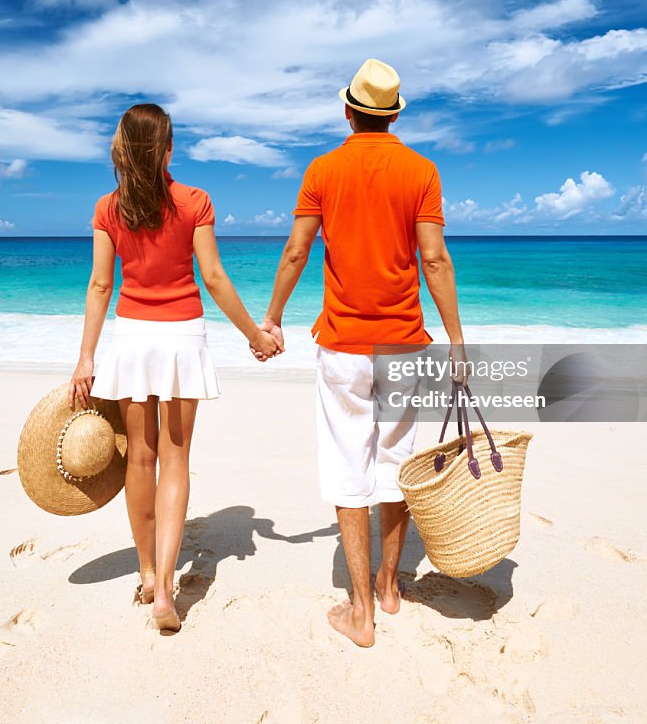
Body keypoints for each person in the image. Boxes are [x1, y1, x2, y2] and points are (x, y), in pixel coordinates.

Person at [254, 58, 467, 648]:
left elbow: (297, 252)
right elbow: (434, 260)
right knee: (397, 462)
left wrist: (271, 318)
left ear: (349, 110)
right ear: (394, 113)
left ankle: (361, 611)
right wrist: (456, 341)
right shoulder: (422, 170)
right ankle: (391, 587)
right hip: (404, 344)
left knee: (349, 467)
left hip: (344, 345)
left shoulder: (323, 169)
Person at [69, 102, 282, 634]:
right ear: (167, 148)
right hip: (183, 340)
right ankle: (167, 588)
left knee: (139, 460)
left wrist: (87, 356)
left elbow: (100, 285)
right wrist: (255, 336)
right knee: (176, 460)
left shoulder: (107, 208)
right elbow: (211, 276)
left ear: (123, 149)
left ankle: (145, 574)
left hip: (134, 340)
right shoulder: (195, 201)